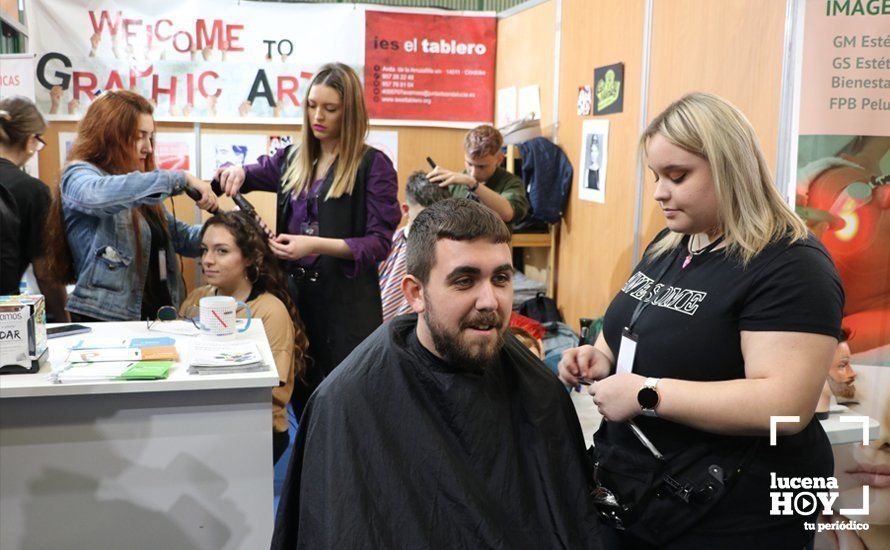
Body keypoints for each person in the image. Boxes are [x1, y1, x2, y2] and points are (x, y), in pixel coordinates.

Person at [558, 93, 843, 548]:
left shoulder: (790, 265)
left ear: (731, 169)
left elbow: (785, 407)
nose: (659, 192)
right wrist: (598, 356)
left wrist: (647, 394)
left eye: (677, 176)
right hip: (643, 494)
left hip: (730, 514)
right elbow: (634, 331)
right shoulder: (673, 245)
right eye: (656, 175)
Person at [271, 199, 603, 549]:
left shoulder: (538, 389)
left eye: (501, 278)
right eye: (465, 280)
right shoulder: (347, 402)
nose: (490, 300)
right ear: (416, 293)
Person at [214, 62, 400, 414]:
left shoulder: (372, 166)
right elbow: (245, 175)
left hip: (346, 310)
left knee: (346, 405)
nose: (318, 116)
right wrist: (235, 171)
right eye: (312, 105)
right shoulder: (292, 159)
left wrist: (314, 245)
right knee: (302, 401)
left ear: (350, 113)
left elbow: (379, 243)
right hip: (296, 304)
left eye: (330, 109)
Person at [43, 90, 217, 321]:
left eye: (151, 137)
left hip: (157, 318)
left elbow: (182, 237)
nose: (149, 148)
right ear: (110, 135)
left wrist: (227, 229)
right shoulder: (79, 176)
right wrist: (179, 178)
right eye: (140, 136)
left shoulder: (139, 187)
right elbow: (96, 196)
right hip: (109, 322)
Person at [180, 212, 309, 464]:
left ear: (249, 258)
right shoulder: (196, 299)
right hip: (206, 418)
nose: (207, 260)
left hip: (259, 426)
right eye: (205, 250)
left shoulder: (270, 310)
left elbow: (277, 392)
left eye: (221, 251)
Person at [0, 97, 69, 321]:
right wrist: (63, 319)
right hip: (5, 316)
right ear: (31, 140)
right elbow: (45, 273)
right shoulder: (32, 191)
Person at [378, 170, 450, 322]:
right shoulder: (385, 245)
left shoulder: (449, 250)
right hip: (379, 332)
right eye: (424, 219)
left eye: (438, 218)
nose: (431, 226)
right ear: (405, 210)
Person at [427, 124, 529, 225]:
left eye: (482, 166)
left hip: (493, 240)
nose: (473, 172)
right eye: (469, 164)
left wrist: (473, 184)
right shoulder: (453, 183)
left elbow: (507, 214)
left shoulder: (511, 182)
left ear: (499, 159)